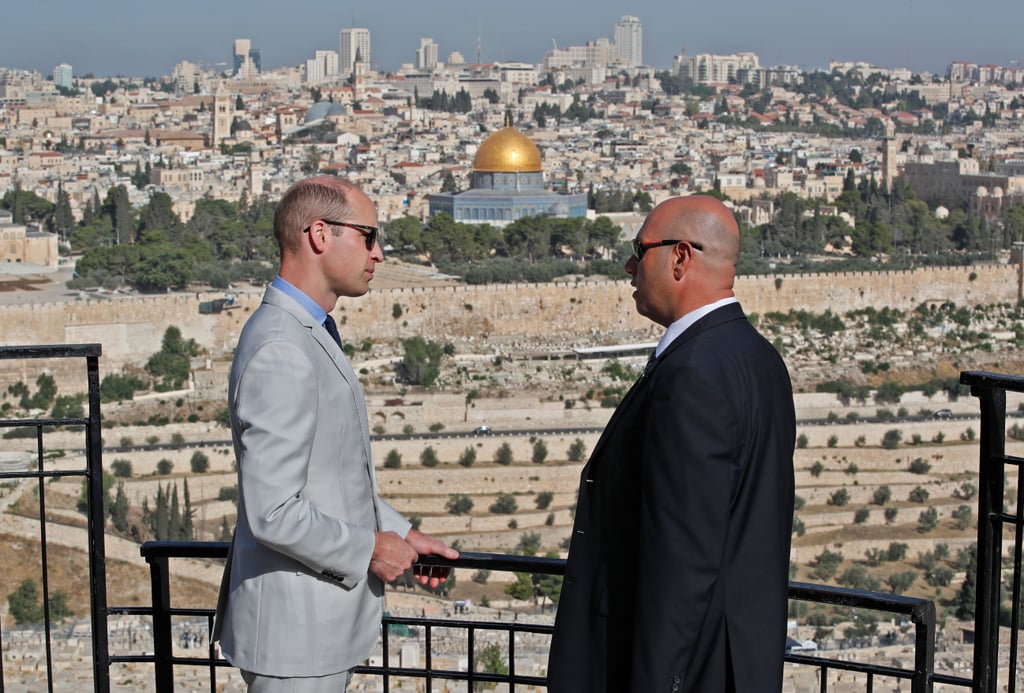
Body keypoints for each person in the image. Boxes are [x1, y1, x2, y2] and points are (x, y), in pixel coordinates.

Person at [213, 176, 458, 692]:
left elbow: (331, 476)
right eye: (368, 236)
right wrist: (371, 547)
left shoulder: (305, 334)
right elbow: (274, 511)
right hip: (296, 636)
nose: (379, 253)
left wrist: (403, 533)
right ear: (320, 235)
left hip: (311, 632)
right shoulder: (282, 348)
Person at [547, 195, 795, 693]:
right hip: (737, 661)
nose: (629, 266)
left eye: (640, 250)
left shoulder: (691, 373)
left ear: (680, 257)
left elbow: (681, 560)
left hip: (681, 671)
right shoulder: (759, 359)